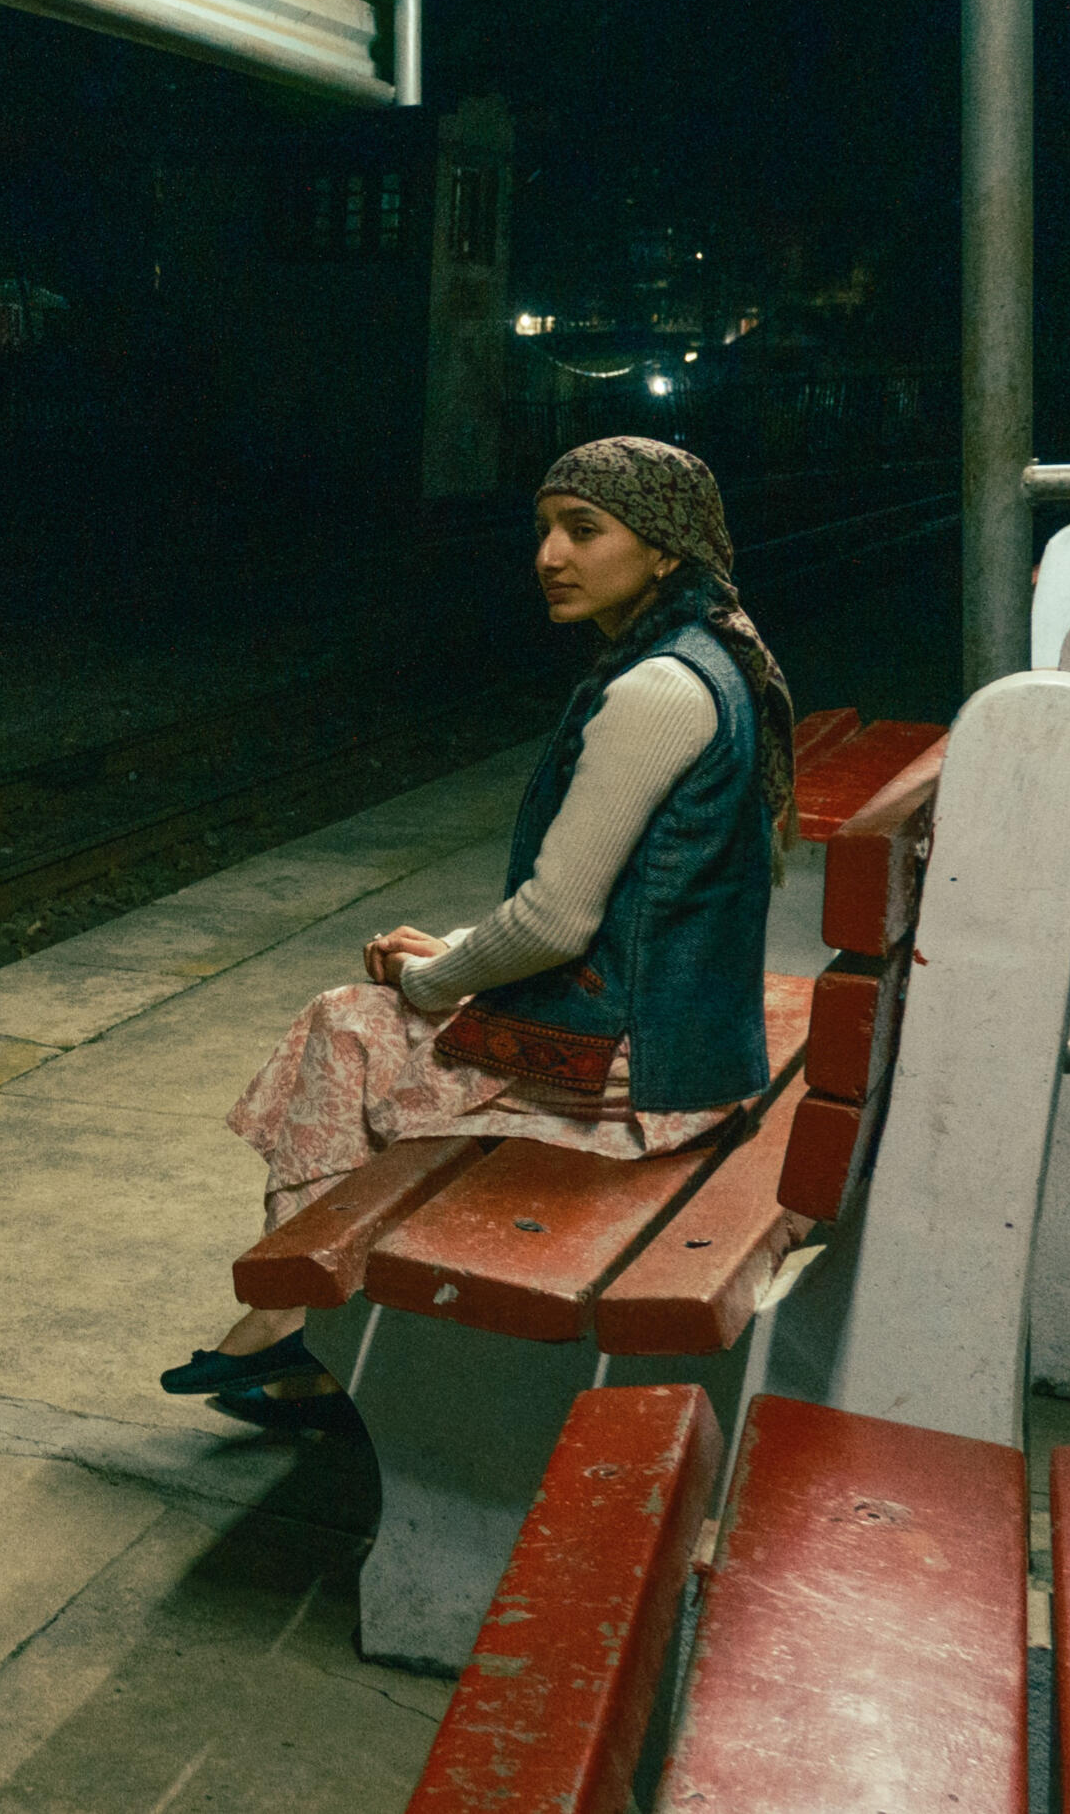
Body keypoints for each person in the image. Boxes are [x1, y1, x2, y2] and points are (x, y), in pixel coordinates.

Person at [160, 437, 796, 1424]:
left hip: (648, 1079)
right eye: (544, 529)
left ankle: (304, 1321)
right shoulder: (712, 655)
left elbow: (555, 920)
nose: (550, 555)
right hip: (690, 1039)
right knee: (363, 1024)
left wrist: (434, 979)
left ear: (663, 549)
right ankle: (313, 1326)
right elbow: (634, 898)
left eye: (583, 530)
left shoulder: (655, 689)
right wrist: (460, 948)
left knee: (347, 1027)